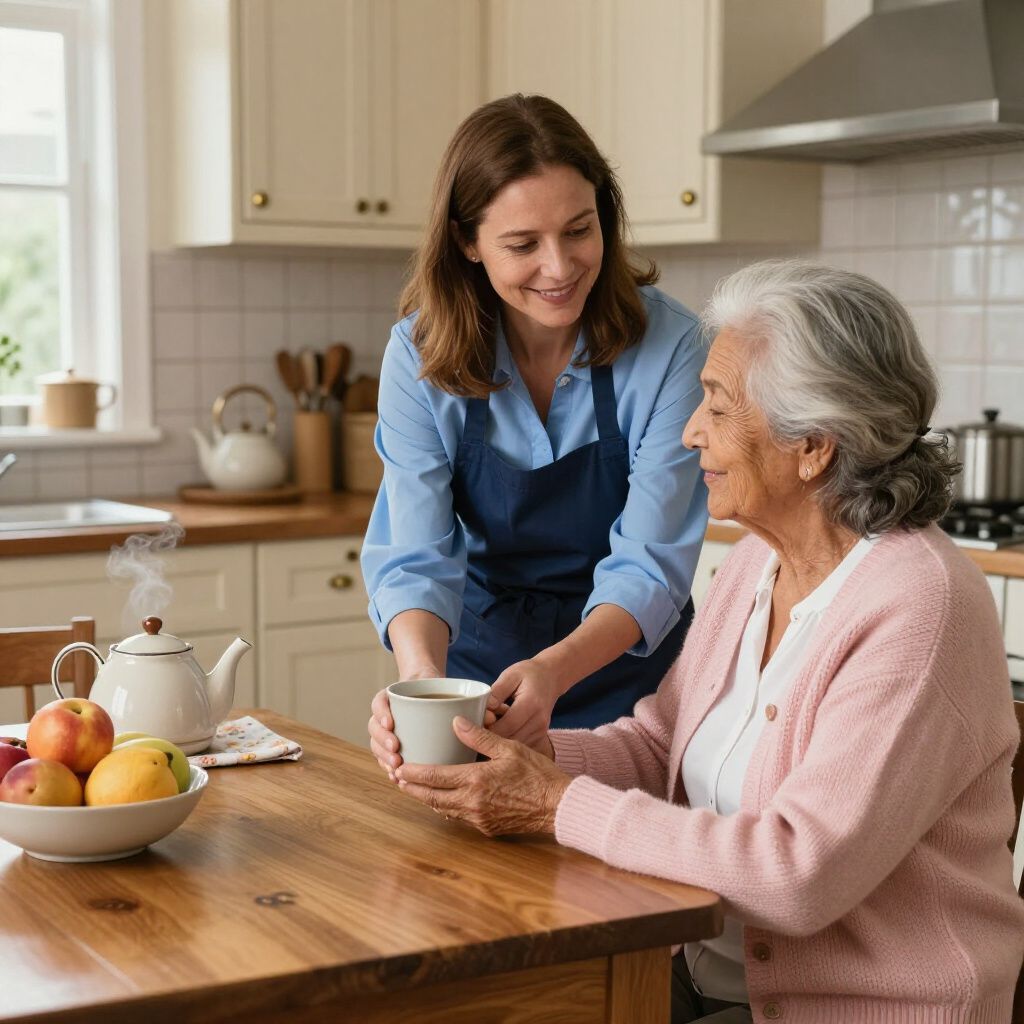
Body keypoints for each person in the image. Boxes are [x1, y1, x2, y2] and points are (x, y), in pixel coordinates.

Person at [371, 259, 1024, 1022]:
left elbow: (796, 873)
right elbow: (660, 747)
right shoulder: (758, 562)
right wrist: (531, 754)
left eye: (716, 407)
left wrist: (555, 806)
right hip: (697, 980)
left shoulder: (919, 606)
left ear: (812, 445)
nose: (688, 432)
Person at [361, 94, 707, 739]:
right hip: (480, 682)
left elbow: (651, 561)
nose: (560, 267)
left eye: (579, 230)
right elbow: (414, 556)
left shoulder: (672, 347)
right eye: (523, 244)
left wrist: (553, 669)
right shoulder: (418, 354)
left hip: (637, 688)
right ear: (467, 242)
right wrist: (421, 687)